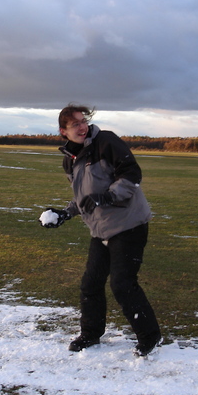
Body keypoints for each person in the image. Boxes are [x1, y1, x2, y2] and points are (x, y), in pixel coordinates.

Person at [40, 104, 162, 356]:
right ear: (63, 131)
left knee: (122, 283)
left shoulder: (105, 141)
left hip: (129, 224)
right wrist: (65, 213)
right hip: (101, 229)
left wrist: (105, 198)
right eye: (75, 124)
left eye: (83, 121)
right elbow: (85, 197)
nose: (82, 127)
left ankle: (150, 337)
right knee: (91, 284)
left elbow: (131, 175)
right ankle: (91, 334)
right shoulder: (70, 160)